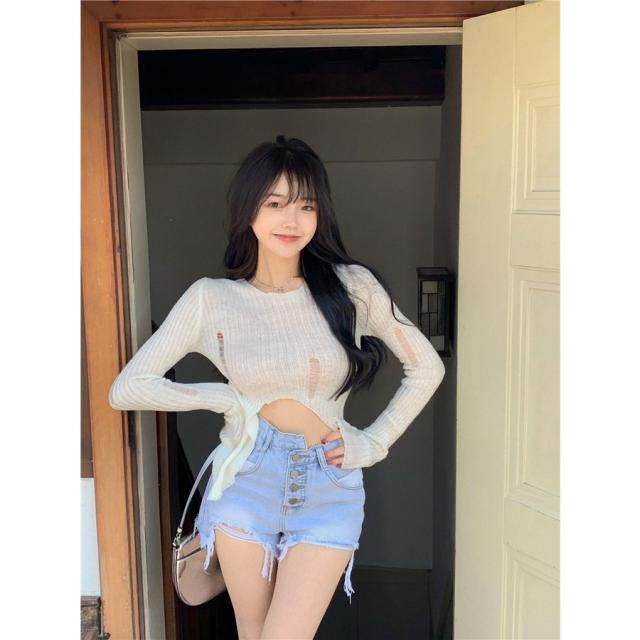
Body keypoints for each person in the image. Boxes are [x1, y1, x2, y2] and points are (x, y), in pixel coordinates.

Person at [108, 134, 446, 639]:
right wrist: (223, 398)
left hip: (327, 481)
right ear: (248, 210)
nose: (292, 220)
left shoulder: (352, 288)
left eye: (306, 205)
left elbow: (426, 367)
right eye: (275, 203)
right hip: (246, 476)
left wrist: (374, 441)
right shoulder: (212, 299)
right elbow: (128, 387)